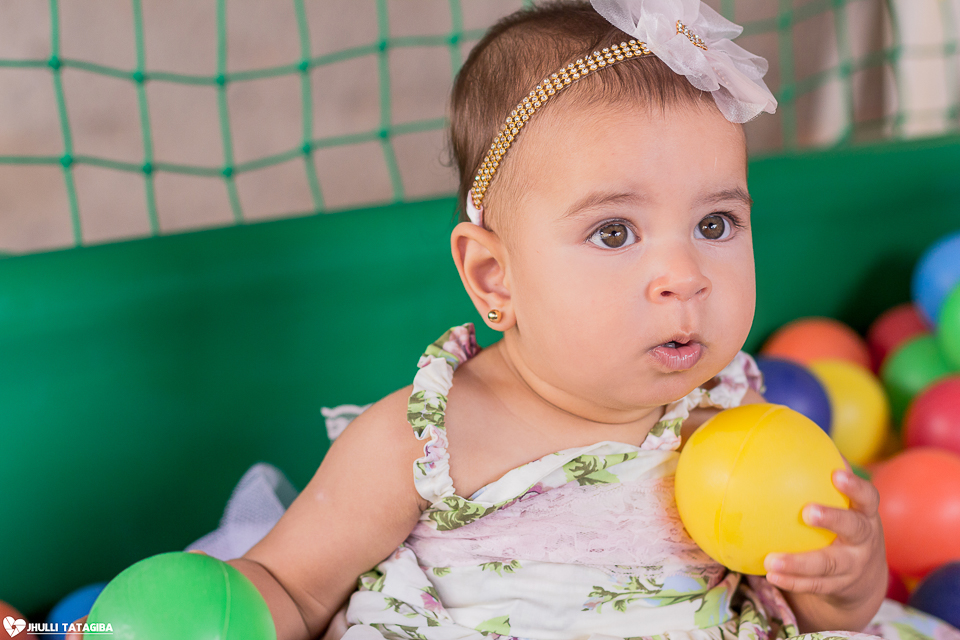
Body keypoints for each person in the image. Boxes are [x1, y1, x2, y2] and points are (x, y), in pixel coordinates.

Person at [66, 2, 960, 640]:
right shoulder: (425, 440)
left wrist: (847, 574)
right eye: (614, 232)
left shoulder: (742, 415)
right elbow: (289, 589)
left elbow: (832, 610)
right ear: (494, 276)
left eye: (716, 223)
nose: (684, 275)